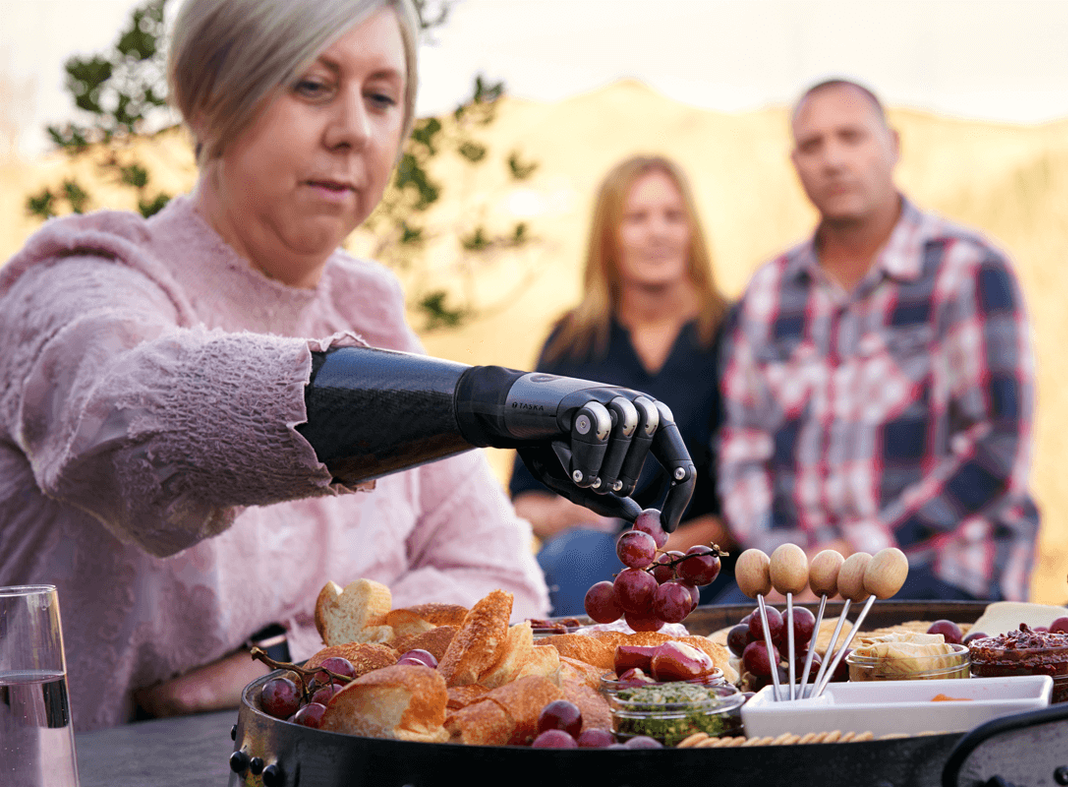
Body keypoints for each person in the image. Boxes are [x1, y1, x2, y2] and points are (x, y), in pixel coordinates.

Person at [0, 0, 694, 731]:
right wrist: (483, 400)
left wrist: (290, 658)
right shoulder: (76, 282)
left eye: (382, 97)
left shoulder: (373, 315)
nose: (355, 130)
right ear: (208, 98)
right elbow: (139, 419)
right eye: (310, 85)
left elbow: (497, 579)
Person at [718, 78, 1040, 602]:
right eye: (812, 145)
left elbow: (996, 448)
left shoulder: (968, 270)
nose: (833, 159)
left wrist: (857, 554)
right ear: (794, 163)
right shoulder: (767, 291)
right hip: (795, 586)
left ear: (893, 144)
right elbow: (742, 450)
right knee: (698, 658)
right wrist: (787, 565)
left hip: (941, 570)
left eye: (851, 137)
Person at [509, 155, 741, 614]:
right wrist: (559, 515)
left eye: (672, 216)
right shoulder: (571, 343)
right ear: (607, 237)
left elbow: (759, 492)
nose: (657, 232)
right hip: (599, 568)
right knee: (572, 556)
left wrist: (663, 555)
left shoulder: (736, 331)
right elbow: (522, 497)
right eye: (636, 218)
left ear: (691, 231)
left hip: (711, 568)